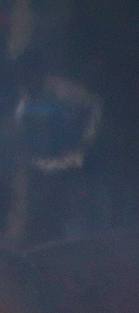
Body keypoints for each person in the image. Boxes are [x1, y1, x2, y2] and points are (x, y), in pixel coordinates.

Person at [10, 48, 103, 245]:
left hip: (66, 170)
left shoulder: (64, 91)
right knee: (35, 220)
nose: (24, 79)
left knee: (66, 222)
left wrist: (83, 146)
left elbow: (95, 105)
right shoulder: (20, 95)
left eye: (28, 73)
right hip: (36, 170)